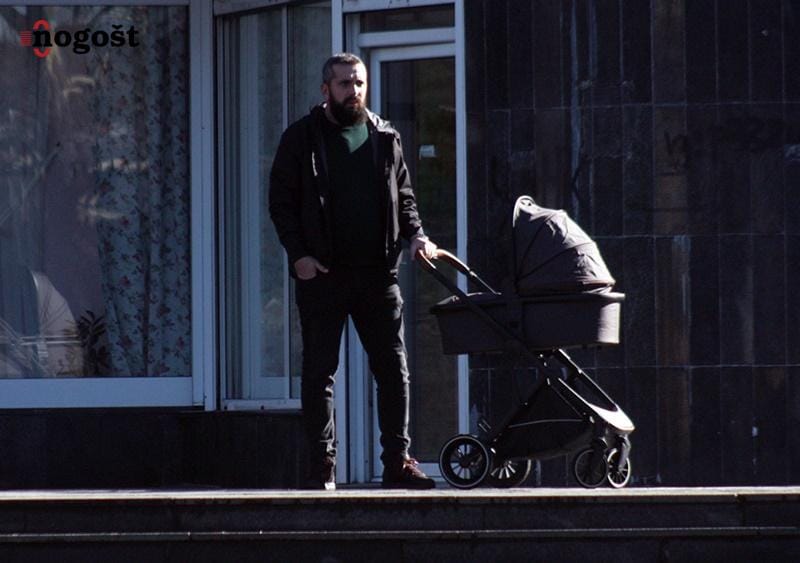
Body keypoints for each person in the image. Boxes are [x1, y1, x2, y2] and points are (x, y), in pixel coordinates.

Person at [269, 53, 437, 490]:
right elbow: (281, 203)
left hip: (378, 274)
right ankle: (322, 465)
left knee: (393, 371)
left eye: (359, 83)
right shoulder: (301, 138)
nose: (354, 91)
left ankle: (397, 463)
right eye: (344, 83)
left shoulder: (384, 135)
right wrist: (299, 255)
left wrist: (417, 236)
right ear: (325, 90)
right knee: (319, 373)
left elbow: (404, 197)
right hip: (323, 275)